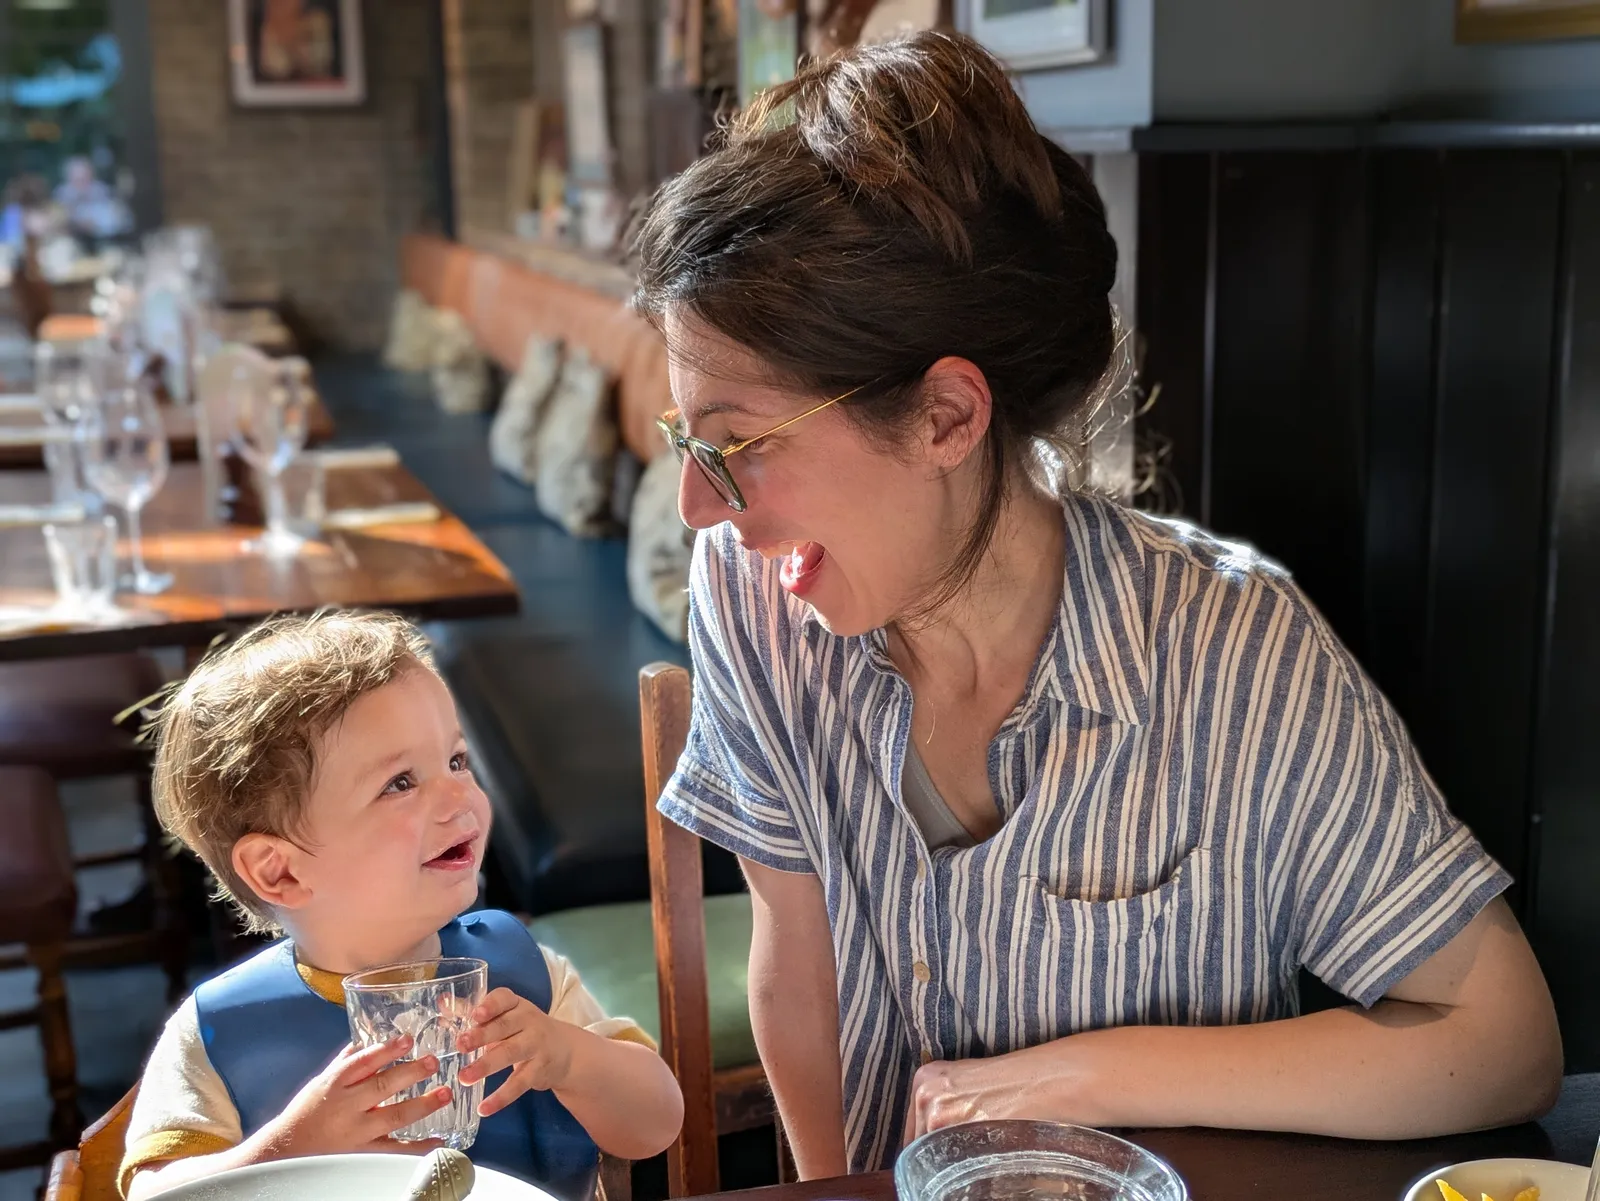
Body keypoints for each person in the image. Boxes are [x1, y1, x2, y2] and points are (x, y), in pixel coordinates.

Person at [629, 30, 1563, 1178]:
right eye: (687, 442)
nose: (697, 507)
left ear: (945, 418)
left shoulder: (1225, 654)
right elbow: (796, 956)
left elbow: (1504, 1042)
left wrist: (1087, 1076)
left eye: (734, 447)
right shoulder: (754, 595)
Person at [121, 612, 683, 1200]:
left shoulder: (526, 973)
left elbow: (657, 1125)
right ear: (279, 871)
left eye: (457, 760)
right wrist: (287, 1149)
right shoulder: (218, 1030)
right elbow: (154, 1195)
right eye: (400, 783)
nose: (460, 796)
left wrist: (567, 1057)